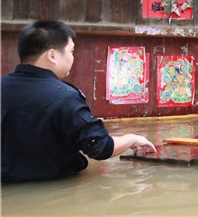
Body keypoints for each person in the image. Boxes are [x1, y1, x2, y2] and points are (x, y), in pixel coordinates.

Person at [1, 20, 157, 183]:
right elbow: (101, 147)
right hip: (56, 190)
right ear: (52, 55)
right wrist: (132, 138)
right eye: (71, 51)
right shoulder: (65, 97)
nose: (72, 58)